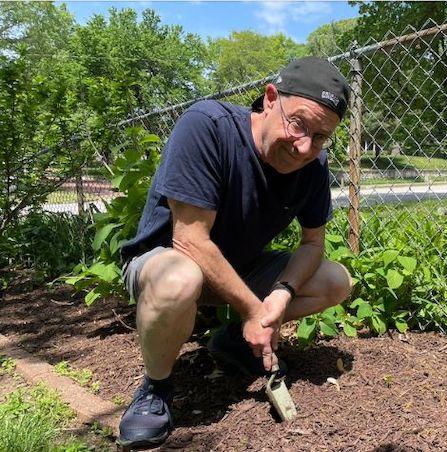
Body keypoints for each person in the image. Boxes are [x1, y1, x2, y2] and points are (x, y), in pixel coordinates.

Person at [116, 56, 353, 449]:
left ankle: (234, 343)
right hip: (166, 263)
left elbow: (313, 244)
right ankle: (155, 388)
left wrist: (281, 295)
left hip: (238, 269)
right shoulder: (208, 126)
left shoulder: (314, 166)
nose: (305, 147)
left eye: (322, 136)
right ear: (271, 97)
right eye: (299, 124)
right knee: (181, 278)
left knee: (335, 279)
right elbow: (189, 240)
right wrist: (255, 311)